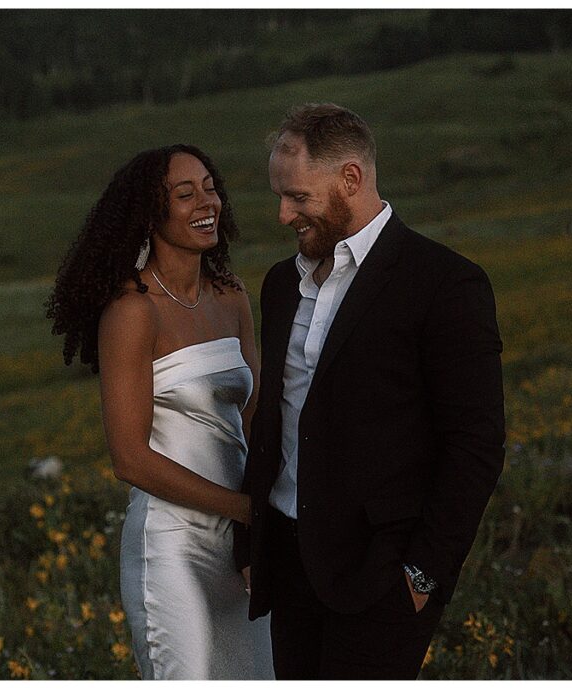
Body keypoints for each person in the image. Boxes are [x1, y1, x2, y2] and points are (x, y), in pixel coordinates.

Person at [234, 103, 506, 679]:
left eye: (298, 198)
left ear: (350, 179)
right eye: (280, 196)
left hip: (383, 576)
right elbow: (275, 420)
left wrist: (423, 574)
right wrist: (250, 542)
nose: (283, 215)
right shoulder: (282, 284)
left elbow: (475, 445)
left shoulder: (446, 284)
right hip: (288, 561)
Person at [46, 144, 274, 680]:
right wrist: (246, 510)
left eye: (210, 187)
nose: (207, 202)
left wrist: (256, 529)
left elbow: (254, 421)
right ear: (150, 213)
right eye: (185, 193)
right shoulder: (131, 311)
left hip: (240, 543)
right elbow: (130, 459)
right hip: (173, 548)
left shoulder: (232, 296)